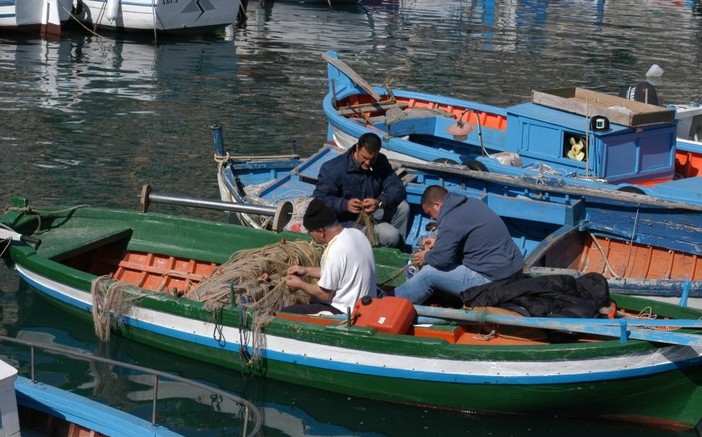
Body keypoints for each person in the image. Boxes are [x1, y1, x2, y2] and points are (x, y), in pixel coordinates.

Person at [392, 185, 524, 305]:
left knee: (428, 274)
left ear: (437, 205)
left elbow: (442, 260)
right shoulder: (473, 203)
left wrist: (425, 257)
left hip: (493, 281)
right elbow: (468, 235)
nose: (432, 219)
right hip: (515, 270)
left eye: (429, 213)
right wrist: (438, 241)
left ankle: (393, 304)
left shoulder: (450, 220)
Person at [313, 132, 409, 248]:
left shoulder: (380, 162)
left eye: (372, 159)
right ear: (357, 148)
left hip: (370, 214)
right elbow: (320, 199)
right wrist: (344, 204)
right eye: (364, 158)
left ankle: (399, 251)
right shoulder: (333, 168)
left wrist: (379, 202)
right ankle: (386, 248)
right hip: (346, 223)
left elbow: (397, 187)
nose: (368, 163)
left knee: (403, 208)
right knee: (391, 235)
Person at [281, 198, 376, 315]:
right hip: (367, 303)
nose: (311, 237)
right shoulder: (356, 234)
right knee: (313, 299)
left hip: (346, 312)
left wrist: (300, 284)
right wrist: (306, 271)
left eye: (310, 232)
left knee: (286, 313)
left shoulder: (334, 251)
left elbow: (325, 294)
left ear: (321, 231)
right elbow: (340, 272)